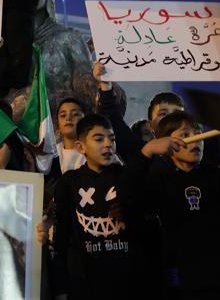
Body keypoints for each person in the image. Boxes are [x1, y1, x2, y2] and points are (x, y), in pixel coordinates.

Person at [129, 112, 220, 300]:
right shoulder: (160, 182)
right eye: (185, 135)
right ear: (167, 143)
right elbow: (129, 199)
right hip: (188, 286)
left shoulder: (219, 176)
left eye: (199, 133)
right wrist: (147, 152)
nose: (196, 140)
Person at [50, 115, 149, 300]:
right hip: (85, 282)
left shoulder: (126, 177)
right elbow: (61, 238)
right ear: (80, 147)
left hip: (128, 281)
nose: (108, 144)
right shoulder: (69, 182)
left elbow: (144, 227)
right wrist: (61, 289)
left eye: (112, 139)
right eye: (99, 139)